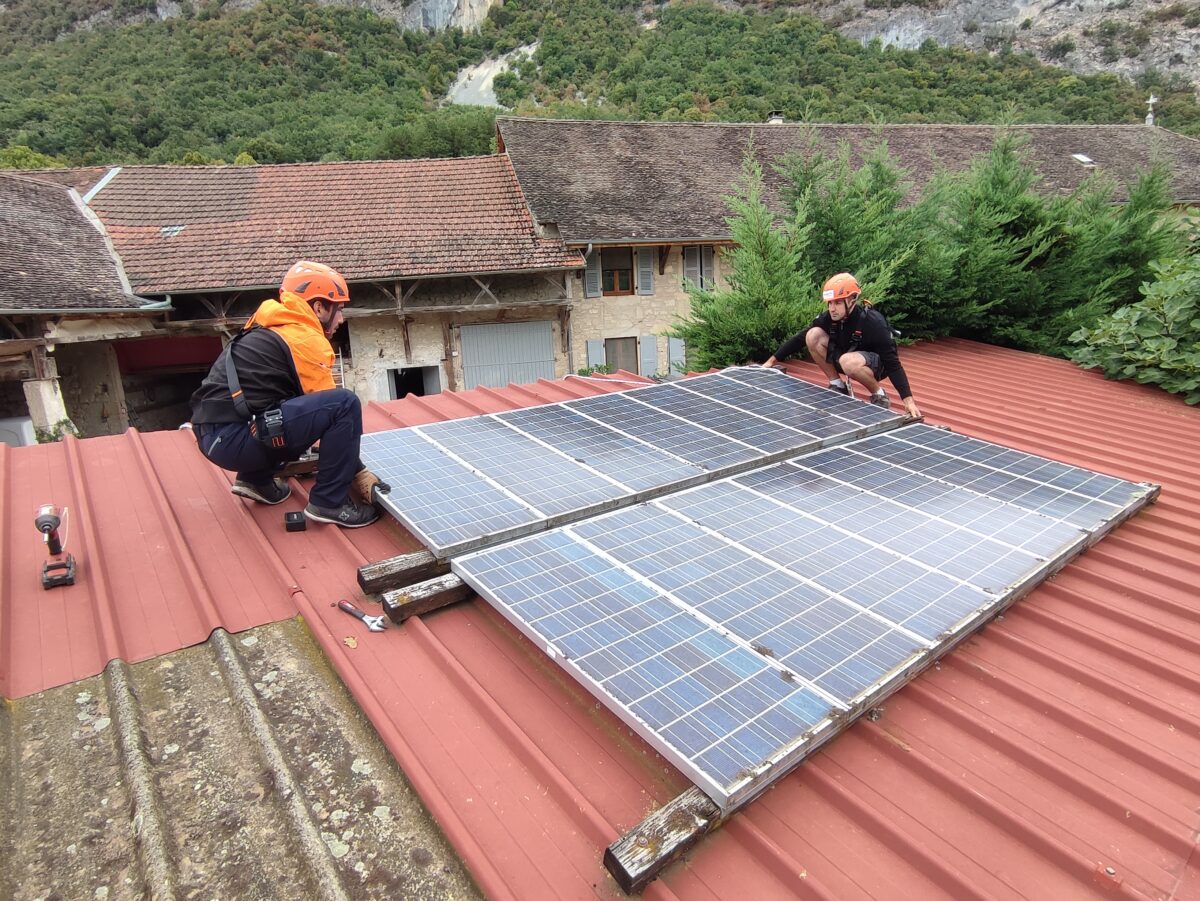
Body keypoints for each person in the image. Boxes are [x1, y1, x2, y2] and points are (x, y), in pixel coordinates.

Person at [189, 260, 382, 527]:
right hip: (233, 439)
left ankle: (256, 480)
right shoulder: (305, 339)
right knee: (345, 404)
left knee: (290, 409)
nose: (341, 319)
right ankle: (329, 503)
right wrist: (358, 471)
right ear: (319, 307)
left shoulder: (271, 324)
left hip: (213, 435)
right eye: (338, 309)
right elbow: (332, 417)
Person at [763, 272, 921, 419]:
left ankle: (879, 394)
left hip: (875, 364)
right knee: (813, 335)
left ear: (852, 300)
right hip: (847, 359)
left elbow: (893, 364)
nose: (832, 308)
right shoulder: (830, 317)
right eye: (830, 303)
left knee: (848, 361)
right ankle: (837, 385)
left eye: (837, 303)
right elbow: (801, 338)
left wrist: (908, 401)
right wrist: (771, 361)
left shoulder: (873, 322)